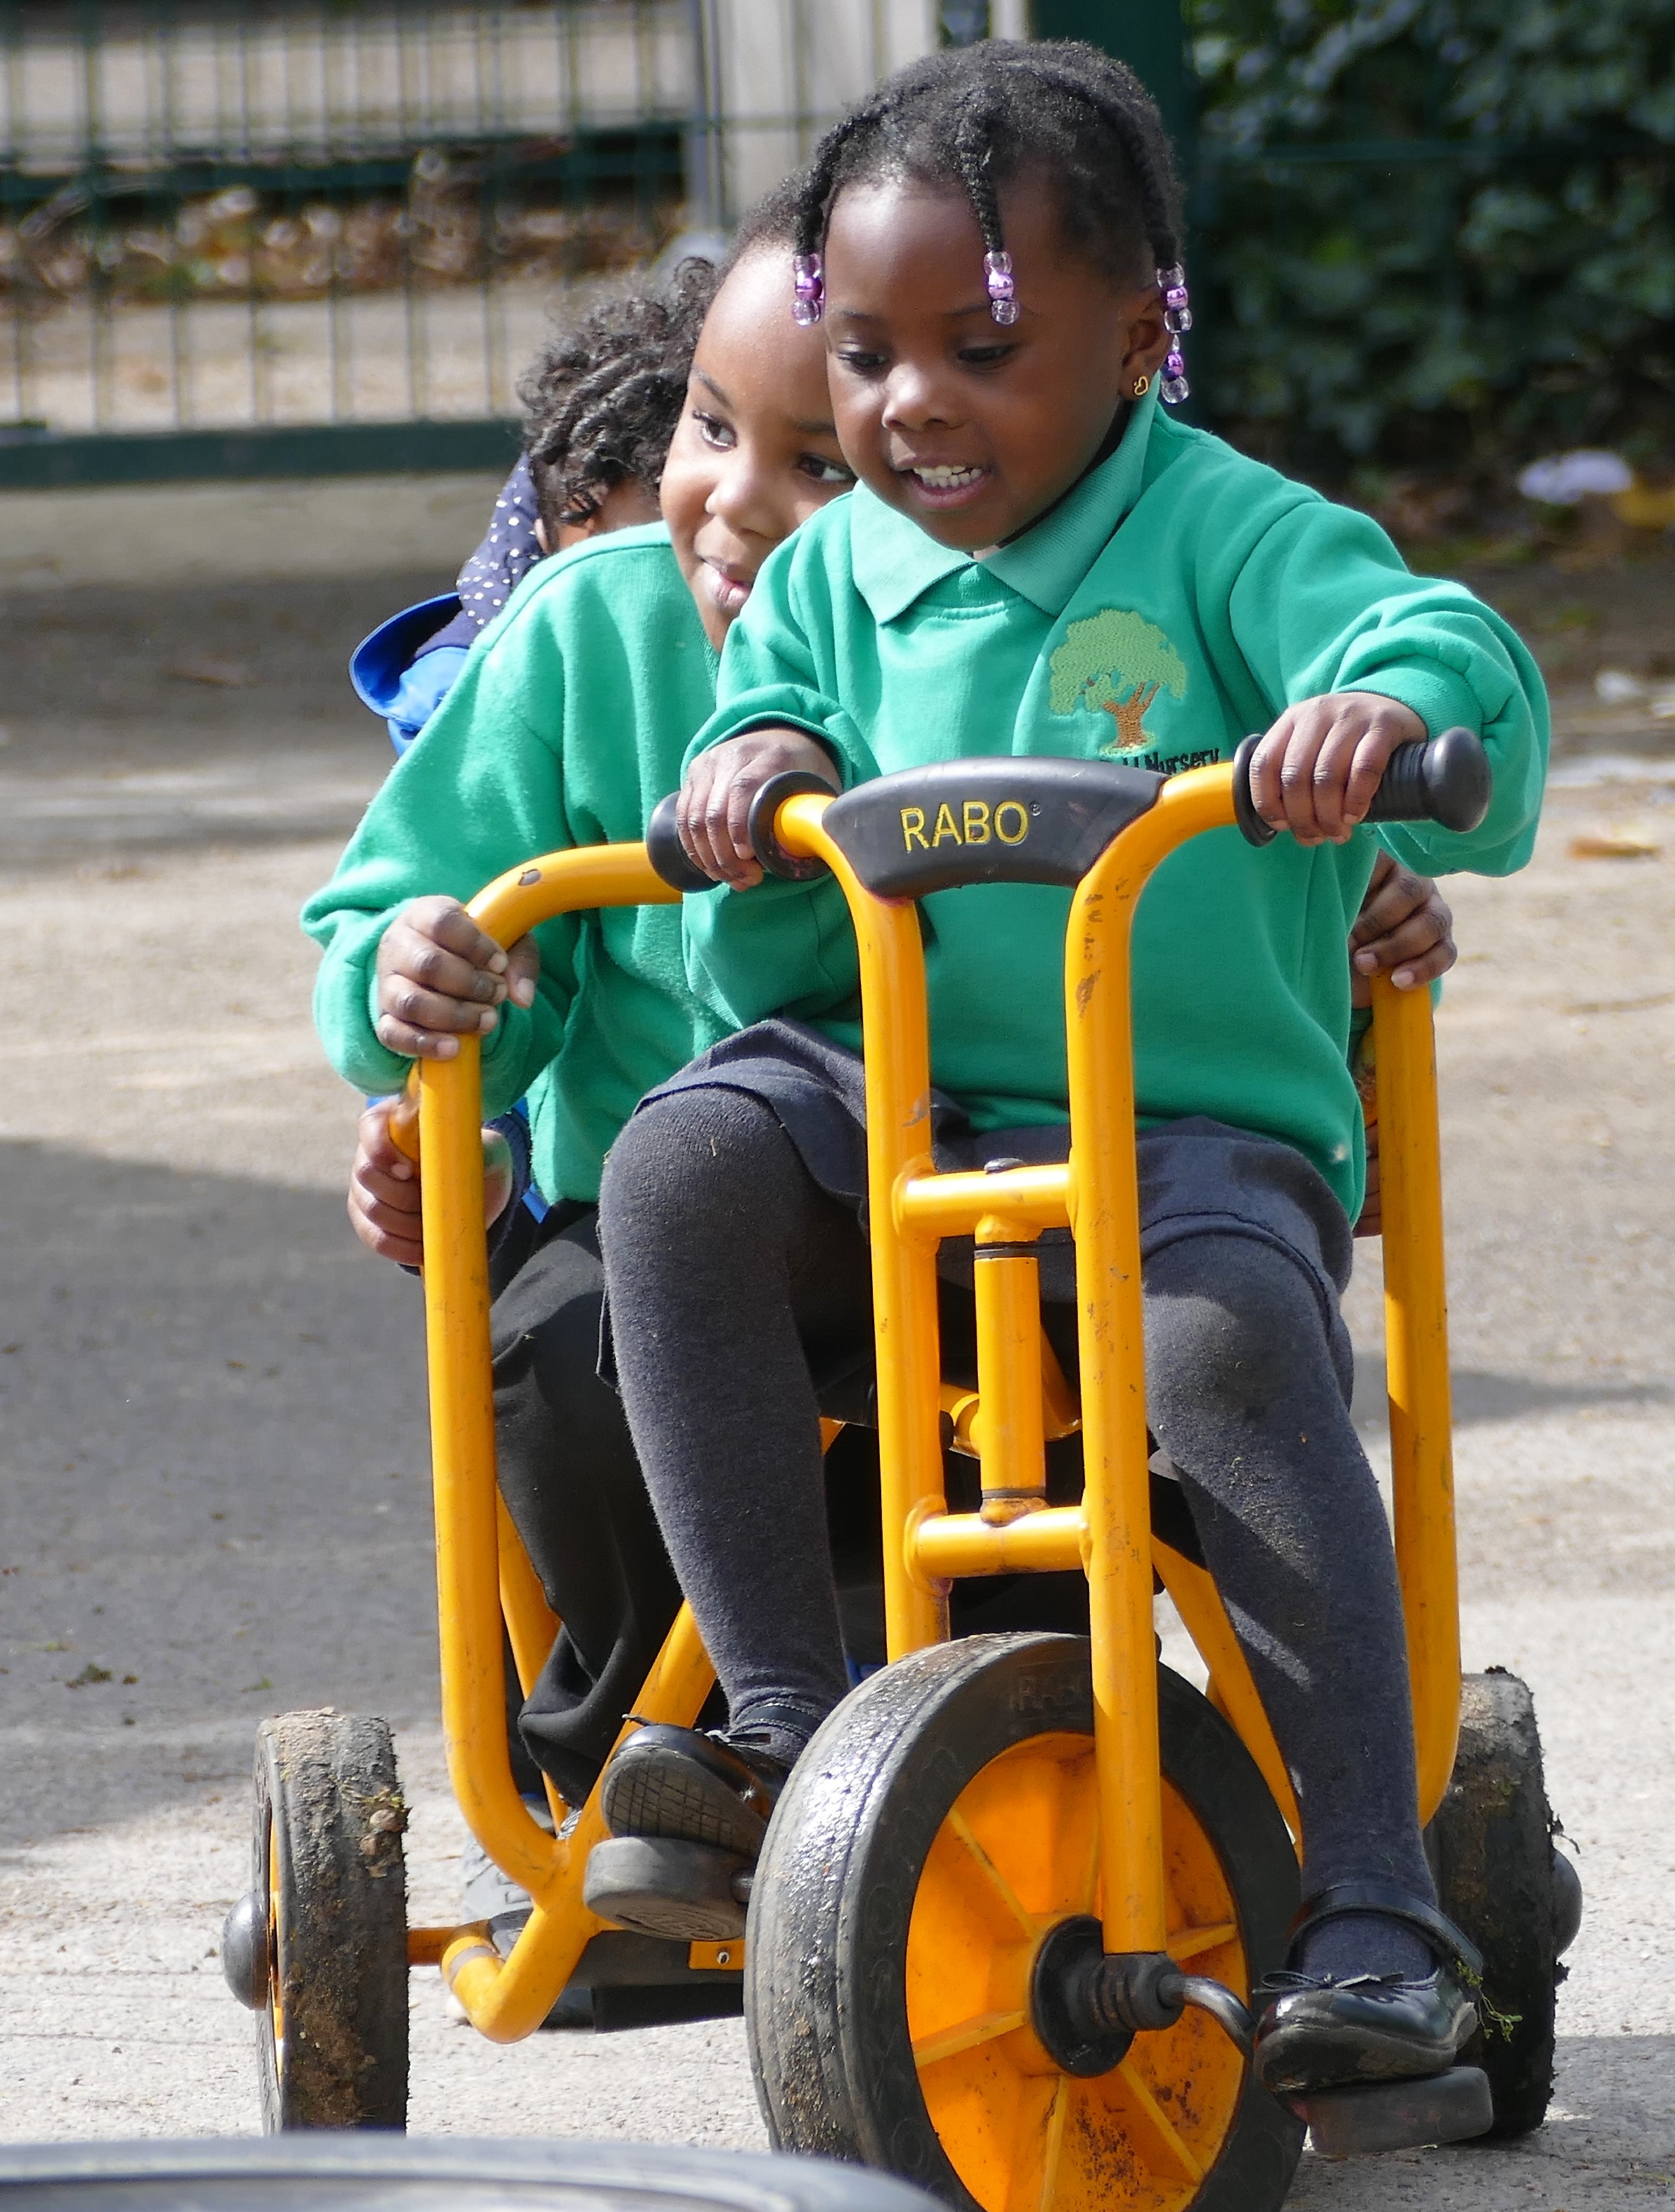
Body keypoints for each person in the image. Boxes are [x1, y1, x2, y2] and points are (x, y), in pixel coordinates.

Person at [584, 38, 1546, 2108]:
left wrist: (1370, 717)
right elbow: (741, 773)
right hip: (892, 1098)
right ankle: (777, 1727)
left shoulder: (1226, 533)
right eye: (866, 352)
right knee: (677, 1171)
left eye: (983, 345)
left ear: (1134, 336)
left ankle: (1373, 1907)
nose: (909, 401)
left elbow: (1441, 647)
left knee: (1218, 1347)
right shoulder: (831, 575)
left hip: (1181, 1126)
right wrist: (750, 769)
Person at [307, 181, 864, 1815]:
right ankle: (641, 1769)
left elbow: (1194, 818)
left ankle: (1042, 1743)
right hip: (645, 1206)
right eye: (710, 429)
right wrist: (416, 968)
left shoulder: (991, 637)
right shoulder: (585, 630)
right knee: (558, 1362)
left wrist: (1352, 904)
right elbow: (391, 909)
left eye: (817, 465)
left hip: (944, 1181)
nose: (735, 506)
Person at [346, 287, 685, 753]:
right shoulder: (463, 693)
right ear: (549, 540)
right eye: (630, 554)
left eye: (688, 552)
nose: (666, 586)